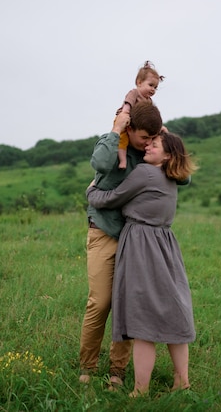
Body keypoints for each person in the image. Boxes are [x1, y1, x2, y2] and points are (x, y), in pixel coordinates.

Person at [86, 130, 198, 396]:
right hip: (165, 245)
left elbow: (112, 197)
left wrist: (91, 192)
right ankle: (182, 381)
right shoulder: (173, 175)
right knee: (173, 312)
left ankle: (140, 389)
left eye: (155, 144)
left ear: (167, 154)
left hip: (141, 244)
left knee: (141, 318)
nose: (147, 147)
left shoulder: (145, 173)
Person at [79, 101, 163, 389]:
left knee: (127, 306)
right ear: (130, 128)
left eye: (154, 139)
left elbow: (183, 175)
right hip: (103, 231)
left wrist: (163, 136)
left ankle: (118, 370)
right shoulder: (116, 141)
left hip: (134, 238)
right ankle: (87, 366)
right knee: (100, 302)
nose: (149, 143)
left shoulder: (151, 152)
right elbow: (100, 164)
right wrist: (116, 129)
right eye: (144, 138)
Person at [116, 61, 165, 170]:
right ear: (139, 82)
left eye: (155, 87)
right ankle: (123, 160)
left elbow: (151, 117)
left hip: (140, 125)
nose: (153, 89)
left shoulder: (149, 101)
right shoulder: (134, 93)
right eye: (151, 85)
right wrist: (125, 113)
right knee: (122, 138)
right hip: (126, 120)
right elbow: (128, 103)